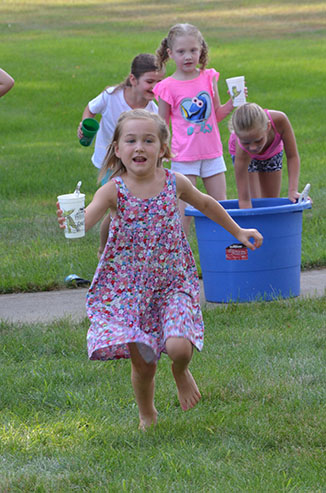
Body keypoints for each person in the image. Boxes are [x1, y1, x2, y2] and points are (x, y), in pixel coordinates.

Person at [57, 109, 263, 430]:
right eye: (131, 140)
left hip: (173, 281)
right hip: (131, 291)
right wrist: (70, 219)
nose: (139, 147)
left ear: (163, 148)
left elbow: (206, 203)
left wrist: (239, 232)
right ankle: (147, 413)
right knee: (145, 364)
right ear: (117, 149)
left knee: (178, 346)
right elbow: (86, 220)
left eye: (148, 140)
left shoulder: (173, 182)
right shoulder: (112, 190)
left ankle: (180, 371)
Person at [77, 53, 165, 256]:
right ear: (133, 80)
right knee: (117, 208)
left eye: (160, 82)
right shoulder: (111, 96)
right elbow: (90, 109)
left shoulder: (153, 109)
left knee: (132, 209)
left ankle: (132, 251)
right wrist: (85, 125)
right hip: (109, 161)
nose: (156, 87)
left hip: (136, 163)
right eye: (150, 81)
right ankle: (103, 250)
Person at [153, 23, 234, 235]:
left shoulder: (208, 77)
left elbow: (215, 115)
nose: (188, 56)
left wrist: (233, 102)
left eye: (193, 50)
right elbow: (161, 124)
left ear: (201, 50)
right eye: (181, 52)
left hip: (212, 153)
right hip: (184, 157)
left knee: (220, 207)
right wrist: (161, 153)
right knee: (183, 212)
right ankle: (180, 260)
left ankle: (224, 252)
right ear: (170, 53)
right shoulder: (167, 86)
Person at [229, 102, 301, 209]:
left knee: (270, 202)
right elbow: (244, 200)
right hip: (247, 157)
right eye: (246, 142)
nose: (253, 147)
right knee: (256, 202)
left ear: (268, 126)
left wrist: (293, 190)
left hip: (272, 152)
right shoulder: (242, 150)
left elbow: (292, 156)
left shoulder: (280, 120)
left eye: (258, 140)